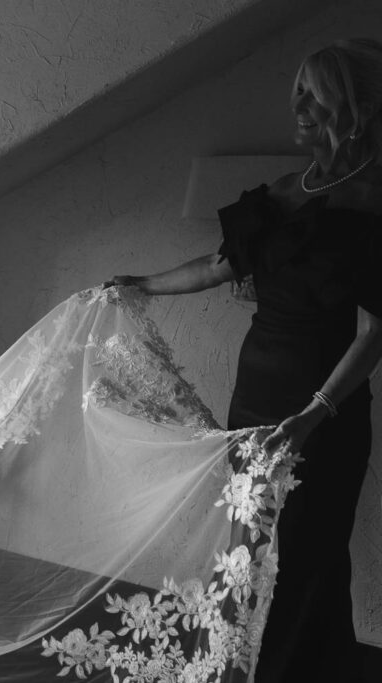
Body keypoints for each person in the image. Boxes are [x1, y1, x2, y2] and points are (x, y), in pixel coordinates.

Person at [108, 38, 382, 681]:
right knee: (251, 545)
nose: (300, 107)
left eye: (317, 95)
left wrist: (313, 415)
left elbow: (374, 334)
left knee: (311, 553)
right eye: (298, 94)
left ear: (358, 107)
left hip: (326, 413)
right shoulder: (283, 193)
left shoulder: (376, 201)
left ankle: (302, 669)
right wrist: (138, 284)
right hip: (254, 401)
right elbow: (215, 265)